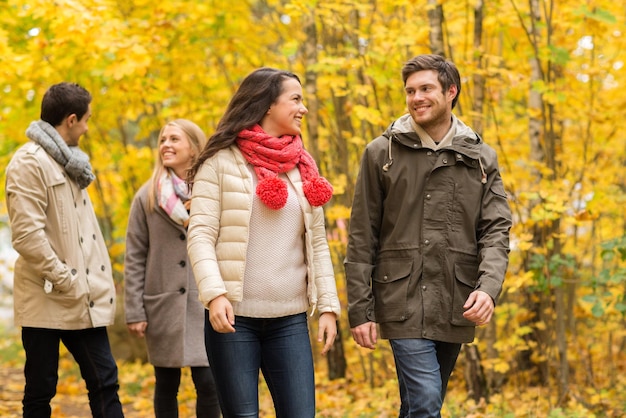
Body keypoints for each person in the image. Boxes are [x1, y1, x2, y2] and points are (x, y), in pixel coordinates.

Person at [345, 54, 513, 417]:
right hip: (399, 297)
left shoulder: (481, 158)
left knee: (420, 404)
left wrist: (488, 287)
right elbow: (362, 235)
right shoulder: (382, 152)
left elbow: (496, 230)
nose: (416, 97)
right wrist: (360, 309)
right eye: (410, 91)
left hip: (456, 298)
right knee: (425, 402)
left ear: (451, 92)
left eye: (425, 89)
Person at [186, 67, 341, 418]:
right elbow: (200, 235)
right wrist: (215, 294)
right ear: (268, 105)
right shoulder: (220, 163)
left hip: (290, 320)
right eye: (296, 99)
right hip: (234, 319)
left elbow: (317, 244)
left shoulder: (303, 169)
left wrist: (328, 306)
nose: (303, 108)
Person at [4, 82, 124, 418]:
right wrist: (67, 280)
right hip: (48, 295)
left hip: (79, 296)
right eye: (86, 120)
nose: (87, 127)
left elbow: (82, 236)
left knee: (104, 380)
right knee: (41, 389)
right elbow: (28, 236)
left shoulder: (70, 164)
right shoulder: (28, 163)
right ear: (71, 120)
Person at [124, 119, 221, 417]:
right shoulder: (147, 196)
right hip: (162, 304)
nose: (165, 145)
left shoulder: (212, 190)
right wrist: (135, 310)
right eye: (163, 139)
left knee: (208, 382)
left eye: (174, 139)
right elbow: (135, 255)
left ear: (193, 147)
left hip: (205, 302)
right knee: (166, 382)